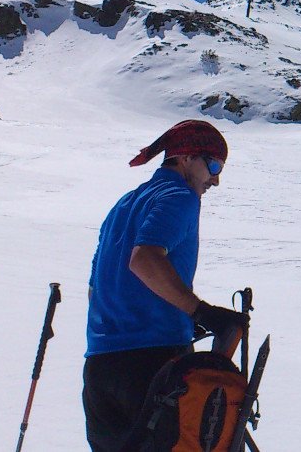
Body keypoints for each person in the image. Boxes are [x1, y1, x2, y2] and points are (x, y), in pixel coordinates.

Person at [82, 119, 249, 452]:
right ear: (185, 158)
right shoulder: (179, 196)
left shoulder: (124, 204)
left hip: (99, 370)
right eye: (213, 165)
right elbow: (144, 259)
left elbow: (96, 288)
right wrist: (201, 312)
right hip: (154, 364)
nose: (215, 179)